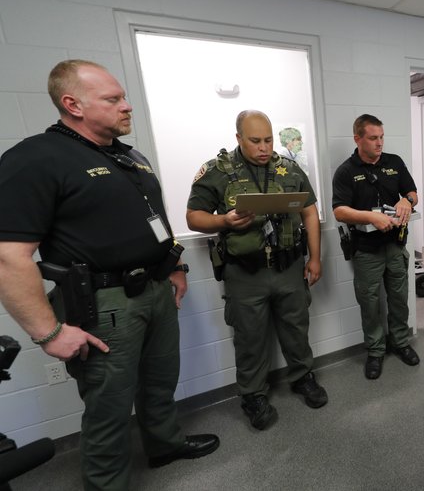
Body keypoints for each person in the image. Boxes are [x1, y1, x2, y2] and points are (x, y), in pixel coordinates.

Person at [0, 60, 219, 490]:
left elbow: (151, 219)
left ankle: (164, 444)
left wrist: (173, 266)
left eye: (124, 97)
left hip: (155, 289)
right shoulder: (36, 158)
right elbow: (9, 257)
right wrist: (48, 332)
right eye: (113, 99)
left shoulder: (127, 156)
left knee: (160, 380)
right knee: (109, 404)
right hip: (103, 303)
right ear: (72, 104)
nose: (127, 106)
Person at [186, 110, 327, 431]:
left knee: (296, 327)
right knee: (250, 338)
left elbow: (309, 211)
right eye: (255, 141)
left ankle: (303, 377)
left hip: (289, 266)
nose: (264, 147)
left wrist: (315, 258)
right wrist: (223, 221)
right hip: (244, 273)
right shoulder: (217, 171)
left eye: (268, 140)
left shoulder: (288, 168)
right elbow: (194, 217)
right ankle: (253, 395)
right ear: (238, 138)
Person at [332, 114, 420, 380]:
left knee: (399, 298)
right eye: (373, 138)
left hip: (394, 245)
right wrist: (370, 216)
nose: (379, 143)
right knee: (369, 303)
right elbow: (339, 211)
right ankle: (375, 350)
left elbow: (412, 192)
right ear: (358, 138)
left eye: (381, 137)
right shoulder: (346, 171)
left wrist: (407, 201)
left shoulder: (394, 162)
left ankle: (401, 343)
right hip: (366, 250)